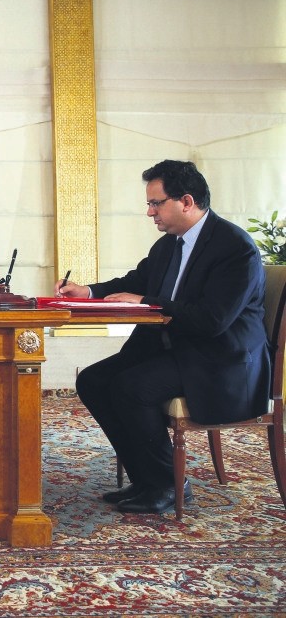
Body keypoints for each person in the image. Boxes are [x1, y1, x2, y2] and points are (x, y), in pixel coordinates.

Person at [56, 160, 270, 514]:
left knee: (132, 387)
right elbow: (137, 281)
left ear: (186, 201)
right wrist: (88, 291)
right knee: (94, 381)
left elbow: (212, 320)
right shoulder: (170, 244)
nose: (149, 213)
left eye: (156, 203)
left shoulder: (235, 248)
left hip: (219, 360)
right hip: (178, 349)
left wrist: (147, 302)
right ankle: (147, 478)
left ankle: (167, 483)